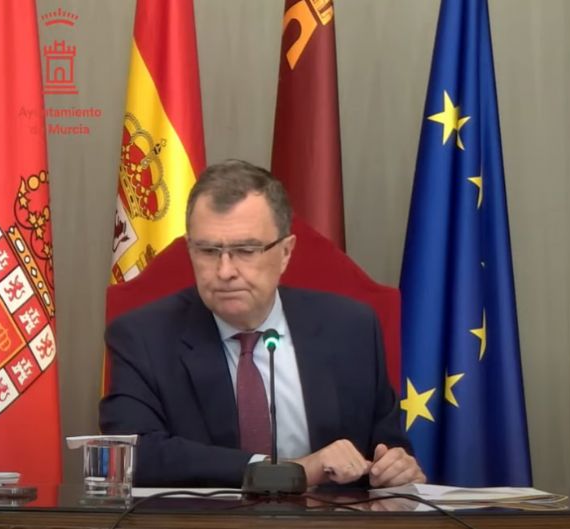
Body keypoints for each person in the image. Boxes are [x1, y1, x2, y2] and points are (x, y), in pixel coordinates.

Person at [100, 159, 425, 489]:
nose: (225, 271)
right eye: (208, 251)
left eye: (245, 250)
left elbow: (385, 449)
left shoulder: (351, 329)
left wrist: (396, 468)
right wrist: (294, 470)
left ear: (285, 252)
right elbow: (133, 455)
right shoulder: (143, 337)